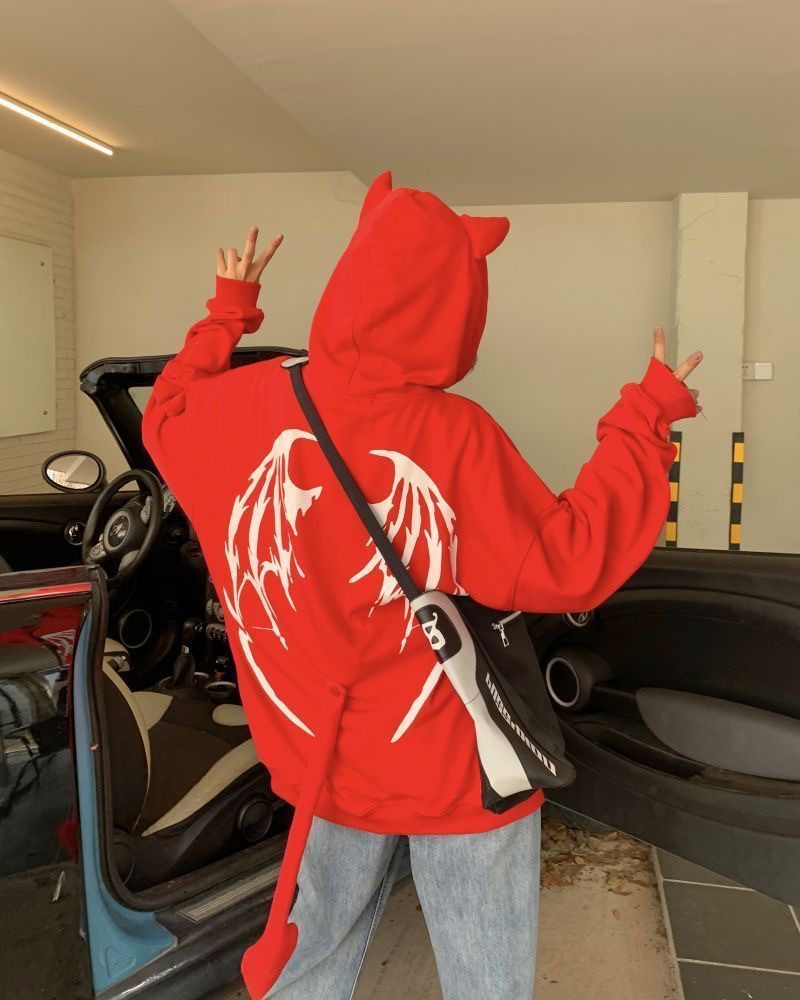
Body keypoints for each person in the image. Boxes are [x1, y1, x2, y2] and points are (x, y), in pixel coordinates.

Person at [142, 171, 701, 1000]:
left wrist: (229, 312)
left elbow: (164, 414)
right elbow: (568, 561)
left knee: (314, 955)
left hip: (321, 758)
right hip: (451, 767)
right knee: (484, 981)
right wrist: (643, 422)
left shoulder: (241, 405)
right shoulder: (452, 436)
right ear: (455, 304)